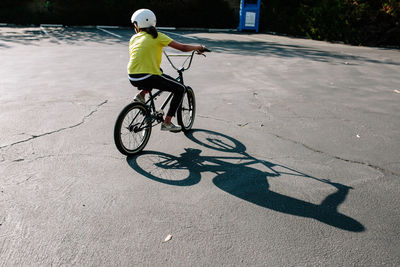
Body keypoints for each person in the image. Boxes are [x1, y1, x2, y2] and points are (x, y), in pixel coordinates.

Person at [128, 9, 207, 132]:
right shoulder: (158, 36)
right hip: (148, 76)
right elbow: (183, 47)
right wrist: (198, 47)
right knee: (180, 89)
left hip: (133, 76)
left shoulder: (134, 38)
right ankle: (167, 122)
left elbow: (140, 58)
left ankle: (141, 95)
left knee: (157, 73)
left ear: (138, 24)